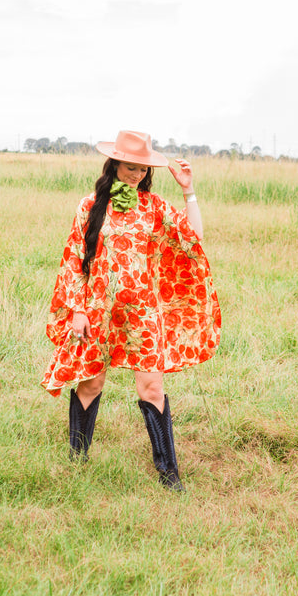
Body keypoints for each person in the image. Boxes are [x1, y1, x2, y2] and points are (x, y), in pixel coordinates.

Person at [41, 130, 221, 491]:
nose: (136, 174)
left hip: (142, 312)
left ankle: (168, 473)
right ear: (114, 164)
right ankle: (77, 460)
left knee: (152, 386)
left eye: (142, 169)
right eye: (129, 167)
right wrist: (78, 309)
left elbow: (194, 236)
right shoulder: (90, 204)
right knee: (91, 381)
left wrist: (188, 190)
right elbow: (76, 259)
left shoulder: (154, 207)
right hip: (97, 310)